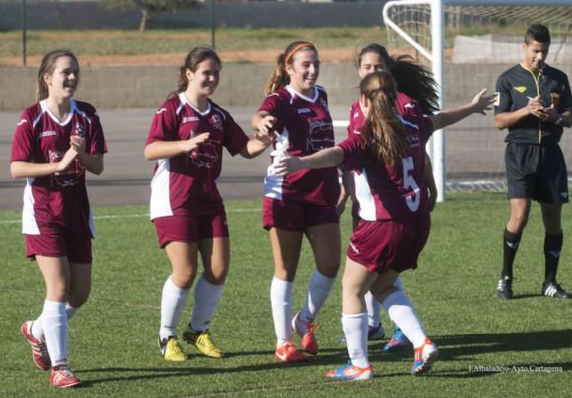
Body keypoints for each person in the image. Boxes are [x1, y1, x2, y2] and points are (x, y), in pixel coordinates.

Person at [274, 71, 495, 380]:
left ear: (364, 100)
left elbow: (336, 154)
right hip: (417, 225)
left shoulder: (366, 136)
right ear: (395, 98)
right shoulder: (414, 123)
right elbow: (440, 119)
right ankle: (421, 342)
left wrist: (302, 162)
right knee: (382, 285)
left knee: (352, 290)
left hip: (382, 227)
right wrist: (471, 108)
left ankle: (359, 365)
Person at [340, 43, 496, 352]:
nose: (374, 71)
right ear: (359, 72)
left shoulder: (403, 108)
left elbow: (410, 149)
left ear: (389, 70)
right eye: (368, 67)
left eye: (379, 66)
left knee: (356, 285)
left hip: (388, 212)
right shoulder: (360, 108)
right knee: (378, 280)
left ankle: (365, 356)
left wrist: (302, 162)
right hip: (384, 207)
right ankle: (399, 334)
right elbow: (430, 126)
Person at [145, 47, 270, 362]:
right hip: (174, 200)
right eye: (206, 72)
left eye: (216, 73)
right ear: (189, 74)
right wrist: (185, 144)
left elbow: (245, 148)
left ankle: (197, 330)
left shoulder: (218, 115)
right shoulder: (172, 109)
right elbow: (151, 150)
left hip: (208, 199)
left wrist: (266, 139)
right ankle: (167, 335)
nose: (212, 78)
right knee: (185, 272)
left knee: (218, 268)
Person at [11, 49, 107, 389]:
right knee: (60, 286)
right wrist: (57, 165)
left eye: (75, 71)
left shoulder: (87, 115)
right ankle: (60, 367)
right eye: (65, 71)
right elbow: (17, 167)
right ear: (47, 78)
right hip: (43, 213)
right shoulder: (32, 117)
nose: (71, 77)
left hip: (77, 213)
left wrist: (80, 154)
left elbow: (97, 166)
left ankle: (37, 330)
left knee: (79, 294)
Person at [251, 41, 342, 362]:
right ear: (289, 68)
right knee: (285, 270)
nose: (312, 70)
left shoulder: (323, 95)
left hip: (322, 193)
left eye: (315, 63)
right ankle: (283, 342)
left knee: (330, 264)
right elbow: (260, 115)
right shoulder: (281, 98)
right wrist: (261, 123)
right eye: (305, 64)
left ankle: (304, 320)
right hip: (285, 193)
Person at [494, 24, 572, 300]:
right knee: (519, 217)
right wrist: (525, 110)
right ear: (525, 47)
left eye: (544, 51)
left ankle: (550, 282)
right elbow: (499, 121)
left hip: (551, 154)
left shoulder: (558, 78)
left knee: (553, 221)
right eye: (535, 51)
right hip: (520, 152)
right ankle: (505, 278)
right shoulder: (507, 79)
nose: (540, 57)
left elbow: (569, 118)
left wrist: (556, 118)